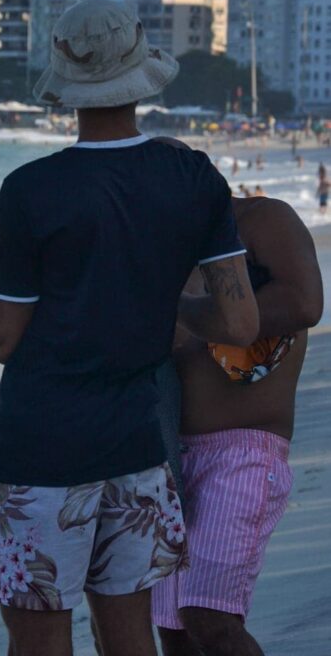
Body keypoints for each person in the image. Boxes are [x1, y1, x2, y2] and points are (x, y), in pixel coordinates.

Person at [0, 0, 259, 656]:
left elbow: (0, 337)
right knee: (129, 640)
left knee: (38, 643)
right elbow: (239, 320)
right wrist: (150, 306)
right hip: (137, 449)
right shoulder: (193, 175)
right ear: (141, 71)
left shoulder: (34, 188)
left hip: (40, 454)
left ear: (64, 80)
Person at [152, 193, 322, 656]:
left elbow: (305, 304)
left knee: (209, 616)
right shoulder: (157, 243)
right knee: (174, 629)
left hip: (243, 452)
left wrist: (186, 311)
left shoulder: (259, 219)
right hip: (169, 458)